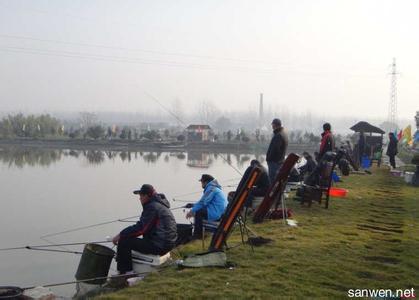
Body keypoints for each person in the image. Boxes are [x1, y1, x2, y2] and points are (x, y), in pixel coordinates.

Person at [112, 184, 177, 274]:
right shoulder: (160, 204)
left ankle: (126, 273)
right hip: (168, 244)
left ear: (146, 196)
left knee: (124, 242)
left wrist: (120, 235)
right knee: (130, 238)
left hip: (160, 245)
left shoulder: (152, 207)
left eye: (141, 196)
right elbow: (144, 225)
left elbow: (141, 229)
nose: (140, 198)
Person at [186, 174, 228, 238]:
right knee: (199, 210)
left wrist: (191, 211)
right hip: (218, 212)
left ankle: (197, 236)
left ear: (205, 182)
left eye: (201, 182)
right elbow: (205, 202)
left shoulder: (211, 188)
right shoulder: (214, 188)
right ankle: (199, 234)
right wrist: (193, 205)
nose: (201, 184)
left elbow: (203, 202)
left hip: (216, 214)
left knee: (198, 212)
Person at [266, 118, 289, 183]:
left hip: (274, 162)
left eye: (272, 124)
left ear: (275, 125)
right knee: (276, 181)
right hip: (279, 162)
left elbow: (275, 149)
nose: (272, 126)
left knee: (273, 182)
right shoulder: (283, 134)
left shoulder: (279, 135)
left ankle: (272, 193)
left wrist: (269, 158)